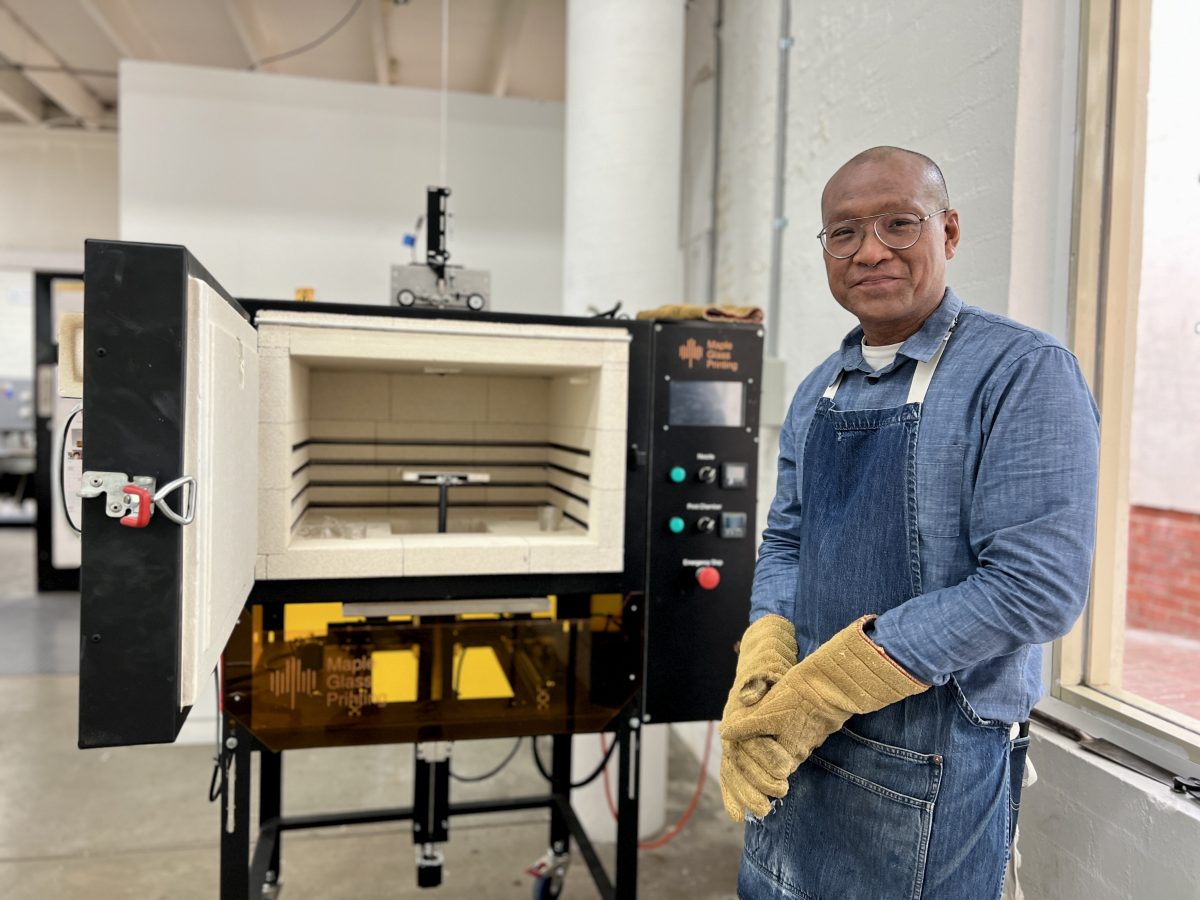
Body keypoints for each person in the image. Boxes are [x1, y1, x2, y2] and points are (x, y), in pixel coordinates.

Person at [717, 146, 1100, 900]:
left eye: (899, 223)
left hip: (930, 764)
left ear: (948, 231)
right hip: (797, 748)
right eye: (844, 233)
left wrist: (825, 687)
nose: (870, 251)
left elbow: (1035, 589)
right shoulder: (818, 389)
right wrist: (767, 657)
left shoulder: (1019, 372)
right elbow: (788, 540)